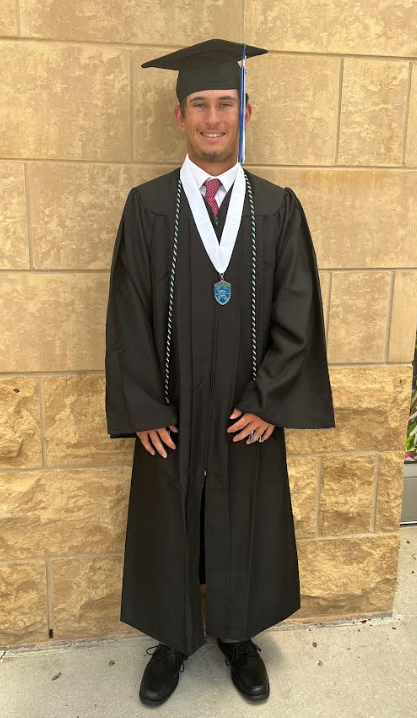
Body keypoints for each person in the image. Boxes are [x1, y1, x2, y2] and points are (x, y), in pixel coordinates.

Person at [105, 38, 336, 707]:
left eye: (224, 104)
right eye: (199, 104)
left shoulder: (276, 207)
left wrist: (270, 399)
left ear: (245, 111)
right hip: (172, 407)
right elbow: (126, 309)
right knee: (170, 514)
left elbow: (298, 308)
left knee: (245, 513)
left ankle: (237, 636)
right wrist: (144, 405)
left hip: (246, 408)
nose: (212, 117)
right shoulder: (147, 207)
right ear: (179, 116)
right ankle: (173, 639)